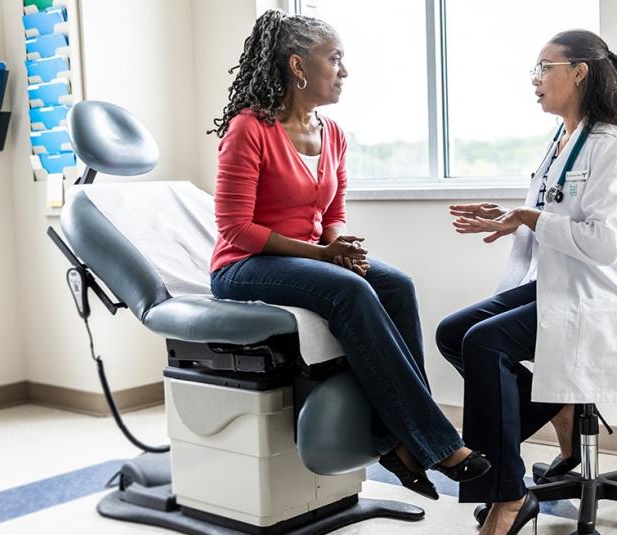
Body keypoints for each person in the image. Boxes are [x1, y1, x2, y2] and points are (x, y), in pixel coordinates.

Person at [207, 9, 490, 501]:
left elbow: (333, 210)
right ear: (298, 66)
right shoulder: (249, 129)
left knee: (396, 284)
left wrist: (340, 247)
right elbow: (237, 229)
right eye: (334, 59)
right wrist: (323, 256)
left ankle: (395, 442)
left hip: (308, 258)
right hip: (243, 266)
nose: (344, 70)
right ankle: (434, 442)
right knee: (349, 288)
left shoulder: (331, 132)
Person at [437, 29, 617, 535]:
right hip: (562, 281)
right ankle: (555, 399)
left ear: (579, 72)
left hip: (603, 292)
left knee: (486, 341)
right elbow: (551, 209)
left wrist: (528, 218)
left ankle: (508, 495)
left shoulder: (612, 144)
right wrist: (511, 218)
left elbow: (604, 242)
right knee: (454, 333)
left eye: (544, 68)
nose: (535, 80)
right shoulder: (564, 139)